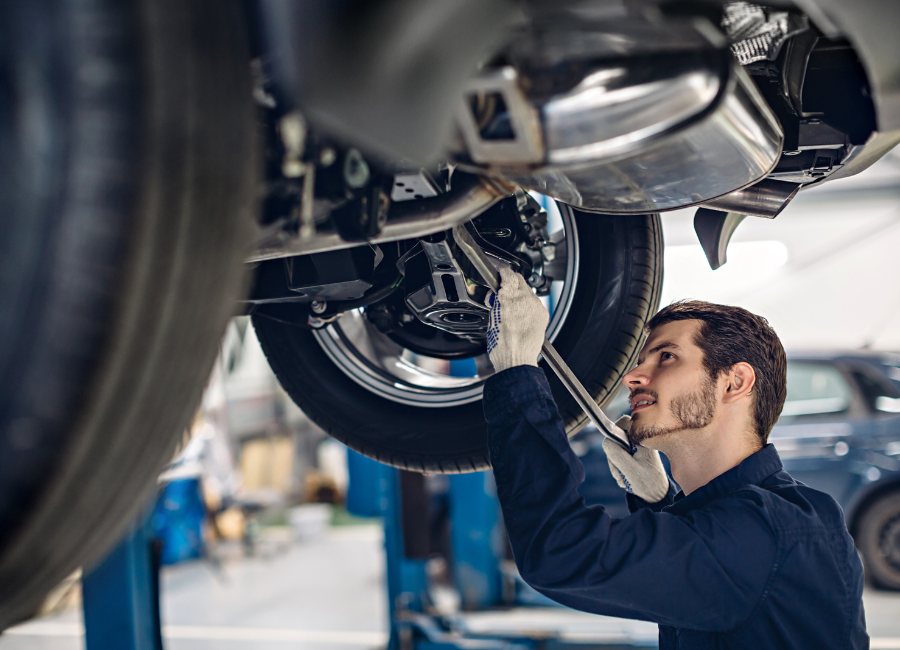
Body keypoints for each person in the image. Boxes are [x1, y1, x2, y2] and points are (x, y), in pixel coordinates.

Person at [483, 267, 868, 648]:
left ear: (734, 382)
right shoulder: (783, 516)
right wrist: (659, 502)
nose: (632, 377)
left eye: (666, 357)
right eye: (642, 360)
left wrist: (518, 373)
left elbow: (560, 553)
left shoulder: (762, 533)